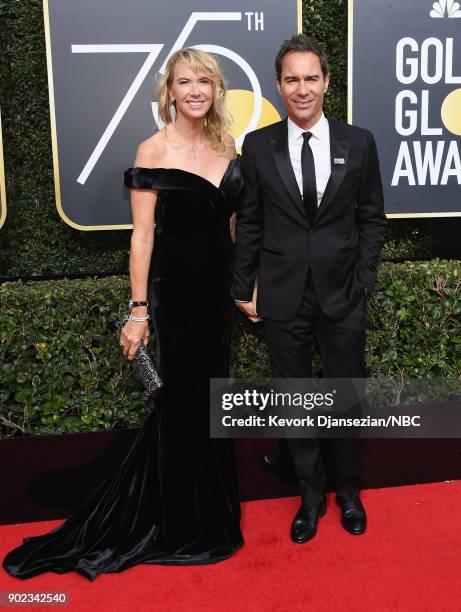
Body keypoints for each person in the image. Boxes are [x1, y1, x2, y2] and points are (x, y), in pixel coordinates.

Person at [3, 48, 244, 580]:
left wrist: (241, 283)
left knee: (211, 397)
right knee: (180, 403)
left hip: (215, 296)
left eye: (205, 81)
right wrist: (138, 312)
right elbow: (142, 236)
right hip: (175, 296)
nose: (196, 91)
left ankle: (211, 514)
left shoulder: (227, 144)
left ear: (216, 88)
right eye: (186, 82)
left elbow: (228, 226)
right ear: (171, 92)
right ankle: (179, 521)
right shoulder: (152, 149)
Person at [232, 34, 387, 544]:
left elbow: (371, 218)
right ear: (278, 86)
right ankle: (310, 498)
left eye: (311, 78)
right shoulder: (257, 146)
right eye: (292, 79)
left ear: (326, 82)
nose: (303, 89)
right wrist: (243, 286)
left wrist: (364, 280)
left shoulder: (359, 142)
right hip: (282, 295)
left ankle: (347, 492)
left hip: (343, 294)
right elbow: (250, 221)